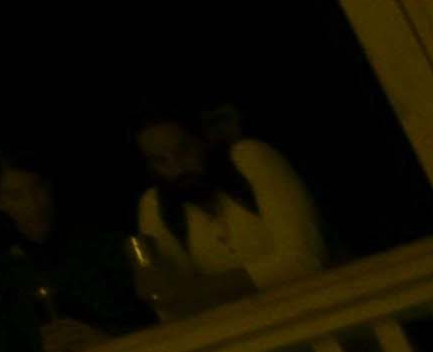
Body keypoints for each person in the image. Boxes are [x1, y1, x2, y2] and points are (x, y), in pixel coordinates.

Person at [134, 110, 325, 312]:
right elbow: (173, 304)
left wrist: (198, 289)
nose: (177, 168)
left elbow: (304, 260)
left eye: (183, 151)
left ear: (203, 141)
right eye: (160, 161)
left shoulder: (249, 159)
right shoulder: (156, 204)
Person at [0, 155, 148, 352]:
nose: (33, 204)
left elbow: (153, 318)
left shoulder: (102, 245)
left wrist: (107, 340)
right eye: (16, 196)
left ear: (48, 186)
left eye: (37, 189)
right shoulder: (1, 278)